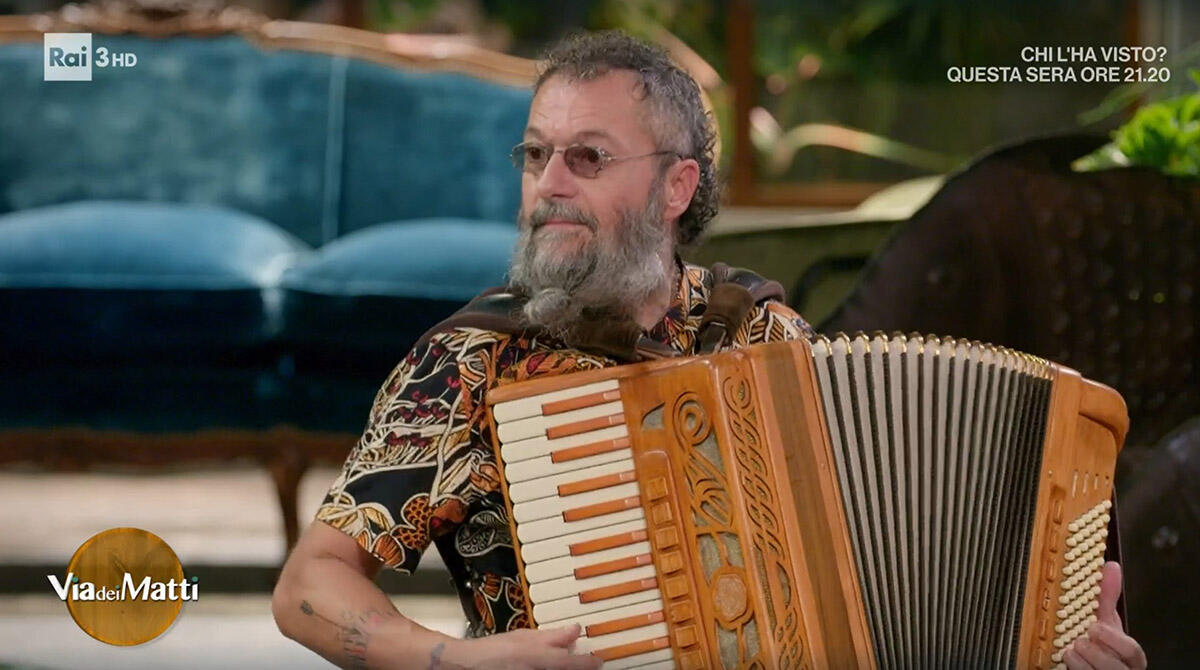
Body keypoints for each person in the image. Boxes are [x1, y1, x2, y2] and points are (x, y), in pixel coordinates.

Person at [272, 31, 1146, 670]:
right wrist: (447, 662)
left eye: (587, 158)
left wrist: (1060, 650)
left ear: (675, 185)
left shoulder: (762, 332)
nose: (550, 185)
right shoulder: (471, 364)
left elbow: (865, 592)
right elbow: (311, 584)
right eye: (536, 156)